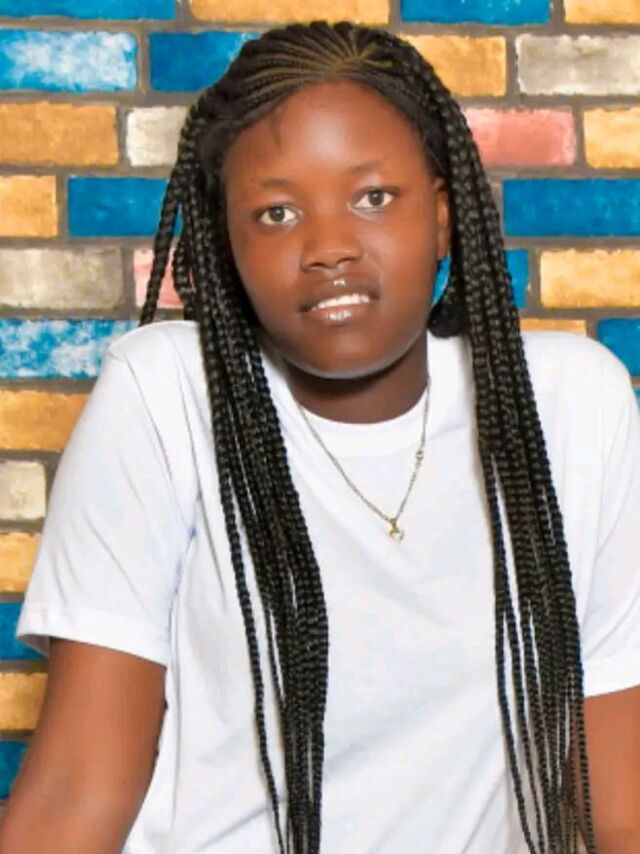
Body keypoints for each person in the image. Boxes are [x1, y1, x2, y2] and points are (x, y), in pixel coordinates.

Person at [1, 20, 639, 854]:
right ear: (226, 248)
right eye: (276, 213)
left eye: (373, 198)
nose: (329, 248)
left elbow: (621, 805)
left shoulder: (570, 407)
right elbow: (76, 793)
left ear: (443, 216)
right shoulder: (167, 395)